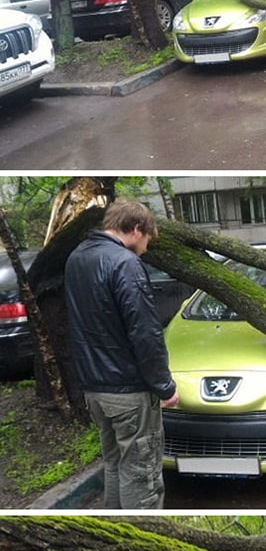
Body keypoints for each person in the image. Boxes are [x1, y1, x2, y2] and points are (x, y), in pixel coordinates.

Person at [65, 198, 179, 509]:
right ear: (136, 229)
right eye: (146, 240)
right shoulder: (125, 263)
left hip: (95, 389)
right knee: (142, 476)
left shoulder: (77, 258)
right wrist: (165, 386)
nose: (146, 248)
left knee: (114, 465)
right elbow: (145, 332)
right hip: (128, 390)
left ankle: (115, 521)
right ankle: (142, 533)